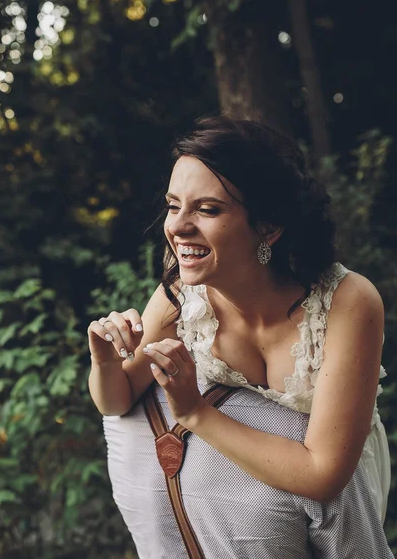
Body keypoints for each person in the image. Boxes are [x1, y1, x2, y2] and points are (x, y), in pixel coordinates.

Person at [87, 116, 393, 558]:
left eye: (207, 209)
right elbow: (115, 401)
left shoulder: (349, 301)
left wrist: (194, 413)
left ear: (268, 227)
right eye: (174, 206)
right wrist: (104, 360)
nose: (178, 227)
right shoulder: (179, 293)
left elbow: (324, 475)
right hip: (230, 494)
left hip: (330, 500)